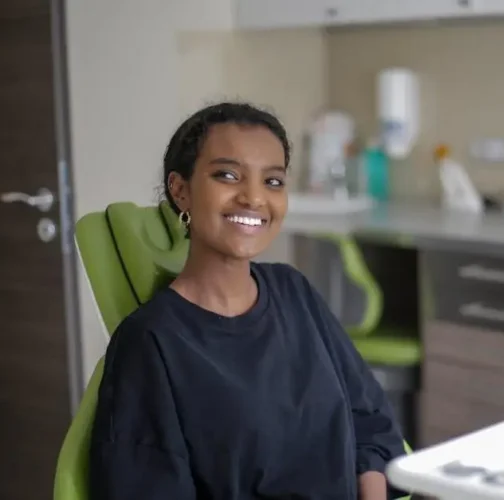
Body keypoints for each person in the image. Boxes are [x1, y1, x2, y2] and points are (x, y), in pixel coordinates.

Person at [88, 102, 408, 500]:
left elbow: (371, 424)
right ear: (181, 190)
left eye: (272, 181)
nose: (254, 198)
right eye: (227, 175)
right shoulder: (150, 343)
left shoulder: (295, 292)